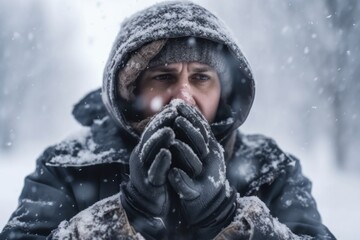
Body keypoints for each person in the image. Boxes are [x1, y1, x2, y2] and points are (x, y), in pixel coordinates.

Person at [1, 1, 335, 239]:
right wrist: (125, 215)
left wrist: (226, 218)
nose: (183, 96)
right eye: (163, 77)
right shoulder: (68, 166)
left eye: (202, 77)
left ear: (224, 92)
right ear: (131, 90)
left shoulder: (271, 168)